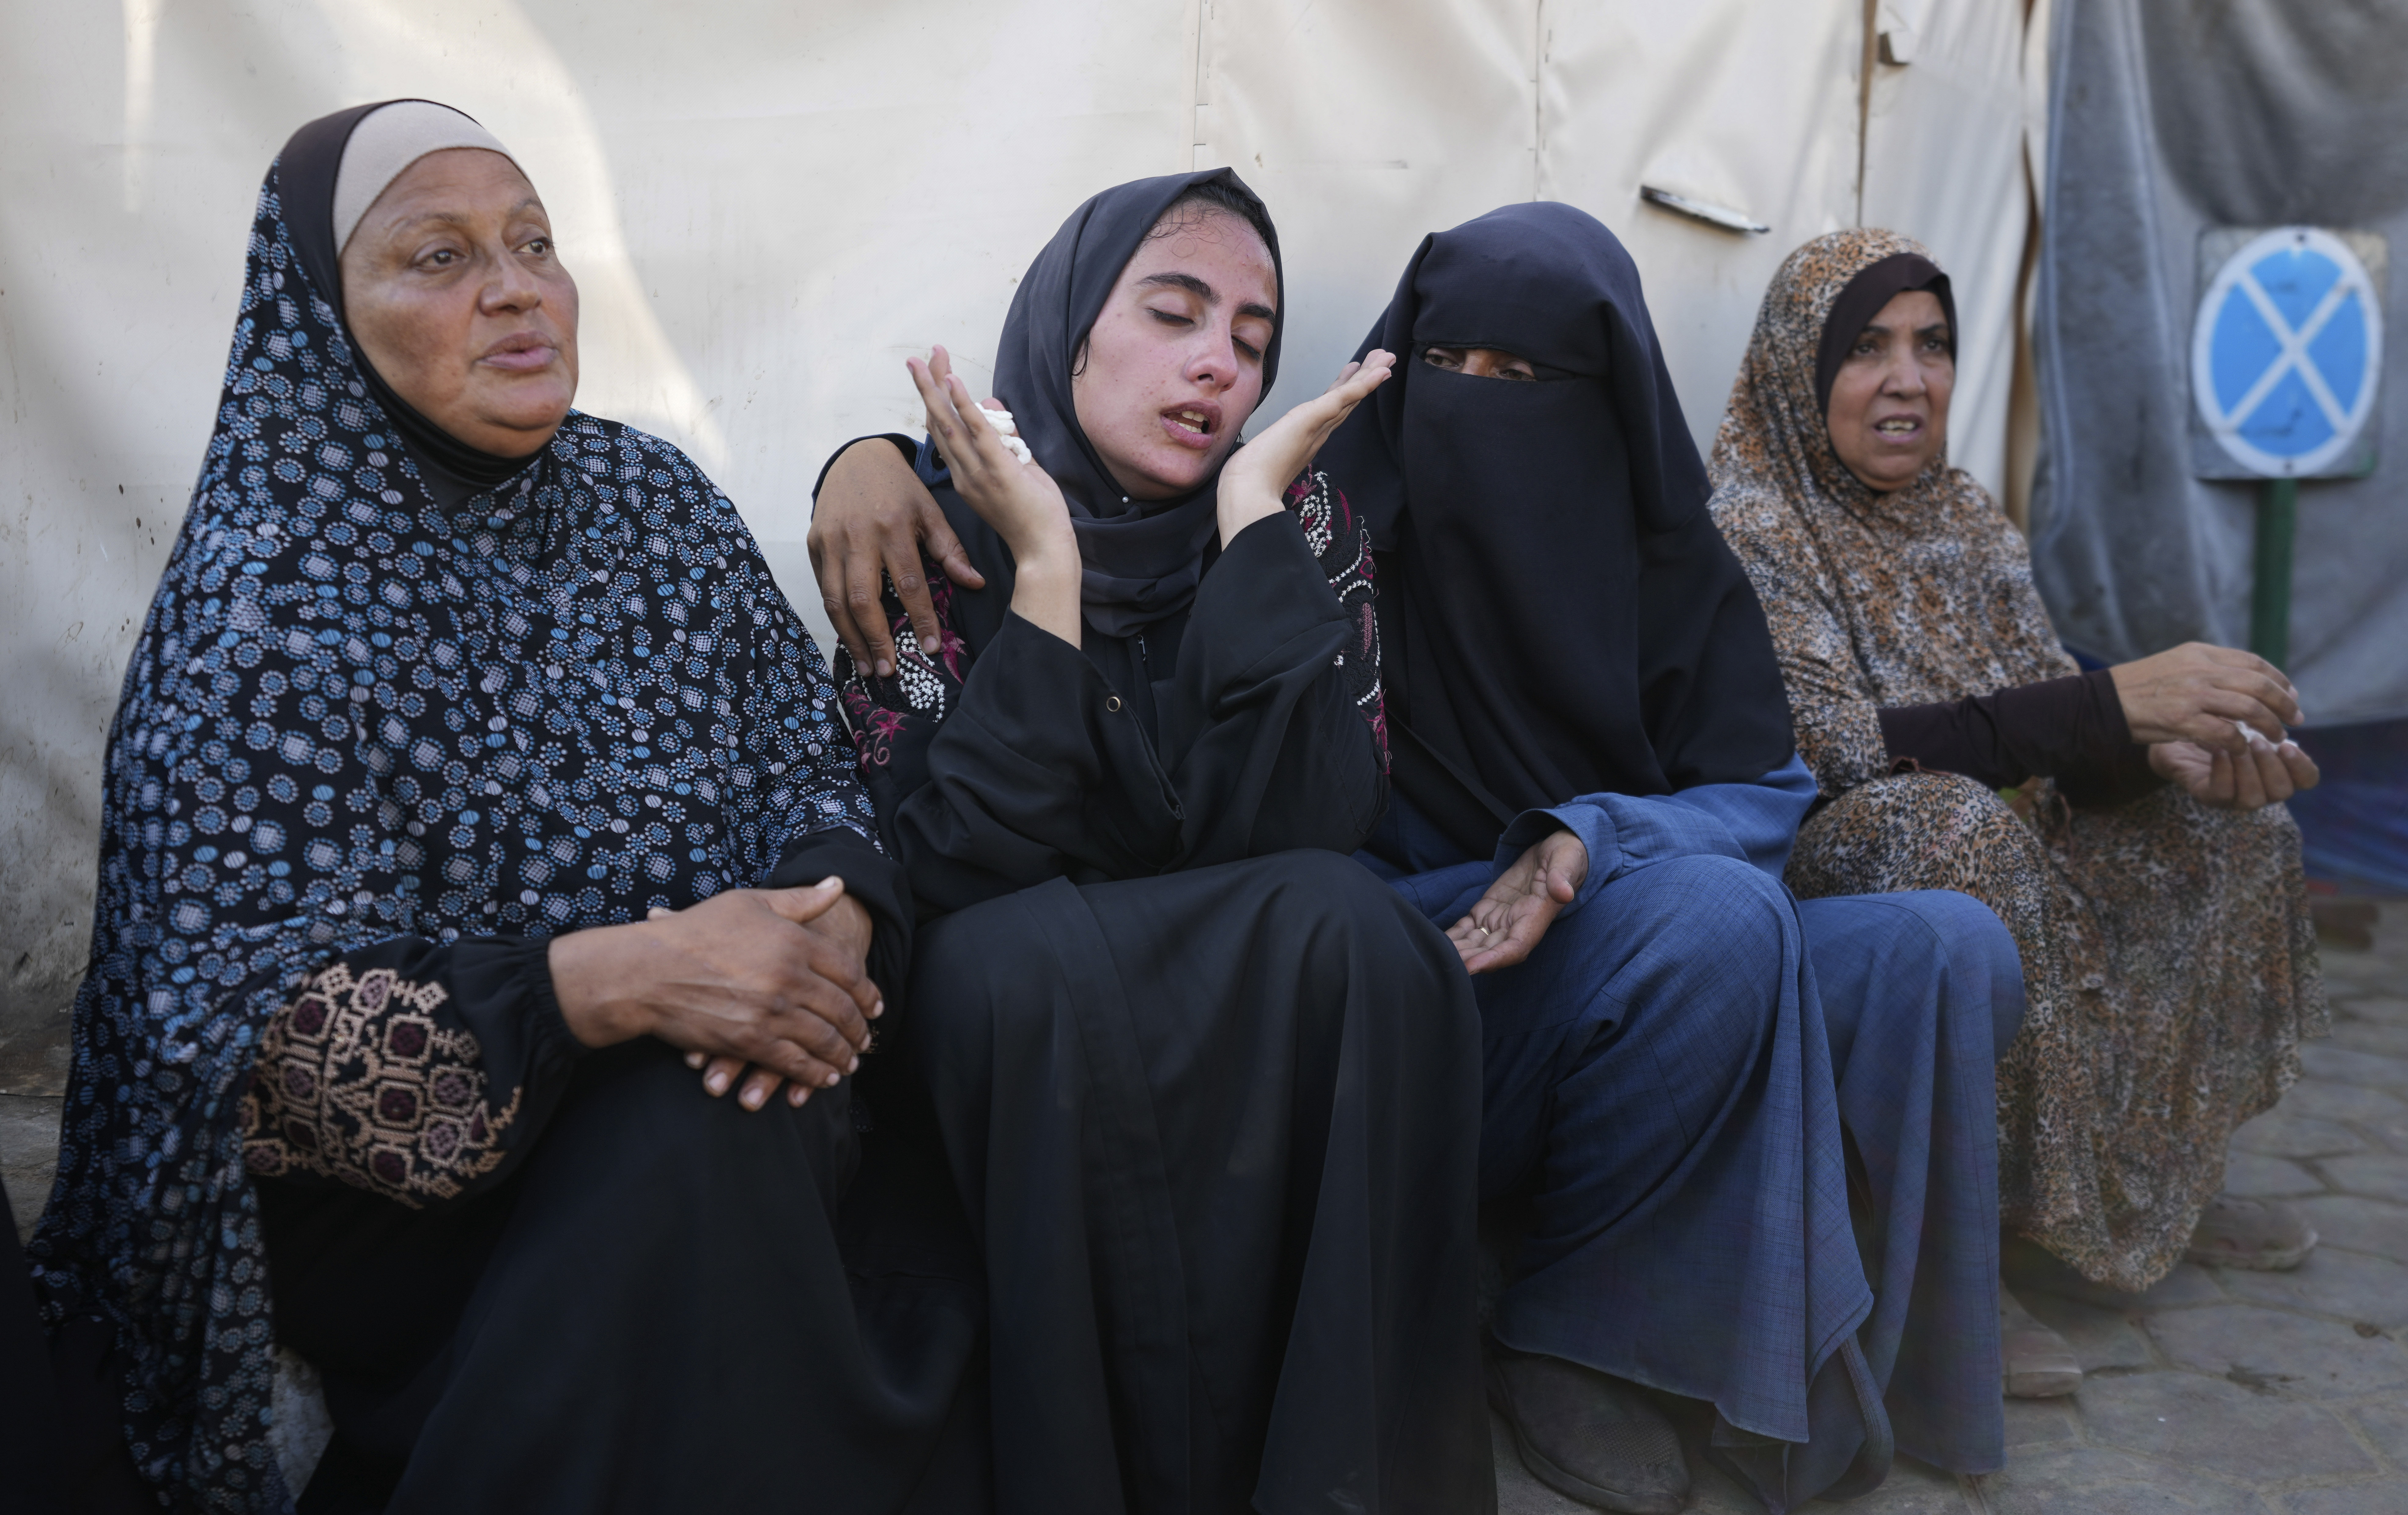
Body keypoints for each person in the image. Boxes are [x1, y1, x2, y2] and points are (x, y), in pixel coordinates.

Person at [814, 200, 2021, 1515]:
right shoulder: (1342, 510)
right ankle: (1571, 1325)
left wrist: (1586, 835)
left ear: (1612, 389)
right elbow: (1006, 847)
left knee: (1934, 940)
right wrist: (872, 458)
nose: (1214, 362)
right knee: (1671, 919)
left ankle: (1877, 1342)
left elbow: (1764, 783)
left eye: (1534, 380)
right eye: (1451, 370)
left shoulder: (1605, 552)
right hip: (1396, 947)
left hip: (1557, 921)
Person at [28, 100, 978, 1513]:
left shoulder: (646, 501)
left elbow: (804, 758)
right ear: (322, 317)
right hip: (411, 1189)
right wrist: (620, 980)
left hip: (715, 1084)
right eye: (438, 257)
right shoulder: (267, 599)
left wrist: (826, 919)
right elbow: (229, 1045)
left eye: (535, 241)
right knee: (700, 1134)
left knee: (741, 1114)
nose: (518, 284)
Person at [813, 171, 1493, 1512]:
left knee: (1365, 934)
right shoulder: (929, 525)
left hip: (1213, 945)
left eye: (1249, 340)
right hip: (1013, 978)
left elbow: (1310, 825)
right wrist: (1048, 574)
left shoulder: (1301, 525)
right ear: (1071, 331)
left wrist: (1248, 526)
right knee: (1023, 967)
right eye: (1172, 312)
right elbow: (946, 863)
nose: (1214, 364)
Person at [1706, 229, 2328, 1318]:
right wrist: (2108, 702)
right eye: (1865, 347)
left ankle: (2147, 1177)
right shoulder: (1752, 522)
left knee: (2225, 825)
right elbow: (1825, 748)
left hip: (2001, 837)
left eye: (1932, 344)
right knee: (1954, 829)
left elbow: (2048, 735)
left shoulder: (1965, 515)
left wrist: (2149, 756)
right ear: (1796, 370)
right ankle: (1959, 1258)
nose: (1909, 379)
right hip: (1830, 875)